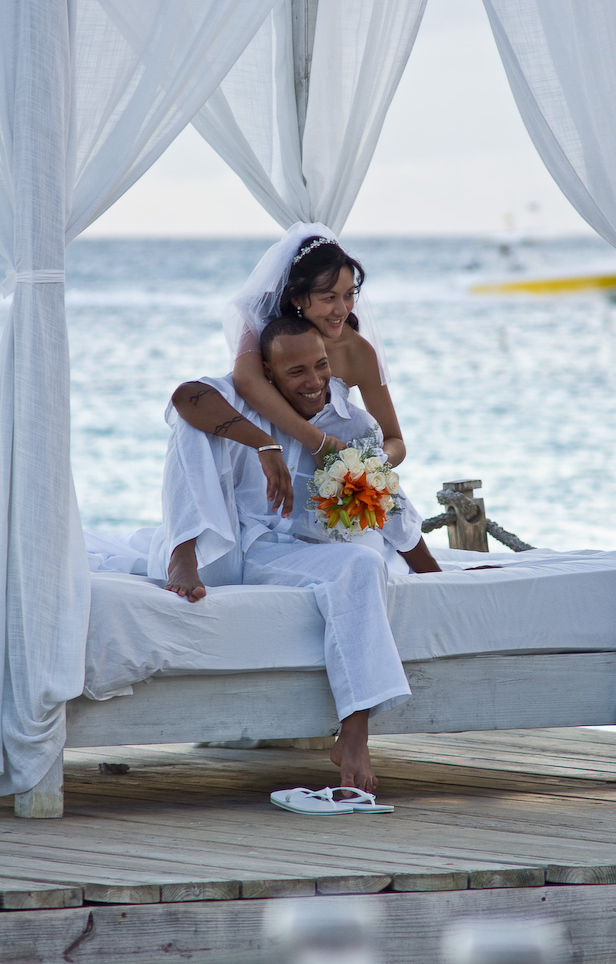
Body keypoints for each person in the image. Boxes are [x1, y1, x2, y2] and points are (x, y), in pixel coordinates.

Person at [150, 317, 440, 793]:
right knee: (189, 425)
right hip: (220, 548)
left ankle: (354, 734)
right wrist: (263, 443)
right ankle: (179, 551)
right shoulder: (241, 402)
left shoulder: (352, 424)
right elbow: (185, 395)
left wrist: (432, 571)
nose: (314, 381)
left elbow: (389, 501)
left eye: (321, 365)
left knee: (364, 564)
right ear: (267, 372)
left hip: (287, 557)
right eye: (296, 371)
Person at [227, 221, 406, 467]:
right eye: (329, 298)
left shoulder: (357, 351)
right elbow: (246, 381)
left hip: (331, 479)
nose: (342, 310)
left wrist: (371, 465)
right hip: (267, 467)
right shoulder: (264, 319)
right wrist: (317, 442)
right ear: (298, 298)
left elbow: (395, 440)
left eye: (349, 295)